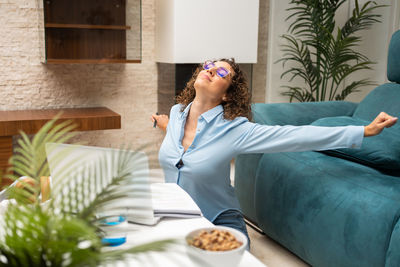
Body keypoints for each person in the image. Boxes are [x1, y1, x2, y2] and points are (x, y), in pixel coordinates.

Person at [151, 58, 397, 249]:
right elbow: (178, 139)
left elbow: (295, 136)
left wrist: (362, 131)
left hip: (218, 220)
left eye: (222, 72)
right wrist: (164, 124)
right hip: (176, 217)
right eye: (209, 66)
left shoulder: (235, 131)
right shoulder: (176, 114)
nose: (211, 70)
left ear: (226, 95)